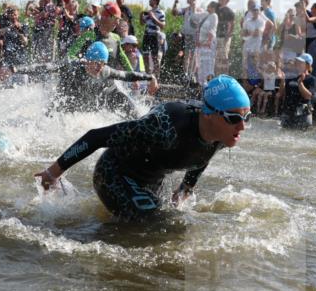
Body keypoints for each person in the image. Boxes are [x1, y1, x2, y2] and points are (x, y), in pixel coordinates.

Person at [35, 75, 249, 221]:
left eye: (247, 117)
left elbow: (201, 156)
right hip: (115, 173)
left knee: (171, 219)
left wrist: (184, 190)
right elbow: (96, 137)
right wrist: (52, 173)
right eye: (234, 118)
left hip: (153, 178)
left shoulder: (224, 133)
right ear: (209, 113)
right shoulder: (164, 128)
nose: (243, 126)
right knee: (157, 225)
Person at [53, 41, 156, 114]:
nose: (99, 68)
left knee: (129, 106)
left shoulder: (105, 70)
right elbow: (50, 67)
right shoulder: (74, 67)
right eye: (97, 63)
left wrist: (150, 77)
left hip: (102, 97)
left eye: (103, 64)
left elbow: (126, 75)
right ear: (88, 60)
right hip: (70, 98)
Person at [279, 53, 316, 129]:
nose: (297, 63)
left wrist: (300, 83)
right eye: (297, 61)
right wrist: (282, 81)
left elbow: (308, 96)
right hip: (288, 113)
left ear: (307, 65)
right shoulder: (291, 76)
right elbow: (282, 94)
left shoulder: (312, 79)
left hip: (303, 115)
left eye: (300, 62)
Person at [139, 0, 166, 78]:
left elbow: (162, 26)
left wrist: (153, 17)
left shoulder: (160, 12)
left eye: (150, 0)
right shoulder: (148, 12)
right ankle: (148, 74)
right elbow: (142, 23)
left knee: (155, 58)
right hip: (146, 35)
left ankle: (156, 77)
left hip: (155, 35)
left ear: (155, 1)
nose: (149, 1)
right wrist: (141, 16)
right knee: (145, 55)